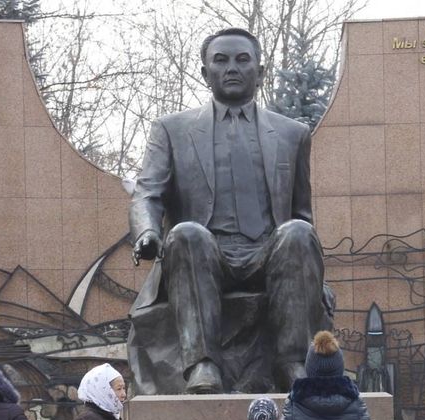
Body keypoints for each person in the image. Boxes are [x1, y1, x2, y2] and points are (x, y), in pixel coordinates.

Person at [129, 26, 327, 394]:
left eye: (242, 59)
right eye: (220, 61)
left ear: (260, 71)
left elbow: (302, 213)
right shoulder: (172, 129)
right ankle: (202, 365)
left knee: (298, 232)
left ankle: (292, 361)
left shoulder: (292, 134)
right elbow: (147, 193)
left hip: (269, 255)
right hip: (204, 253)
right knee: (187, 233)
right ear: (205, 73)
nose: (231, 68)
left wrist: (316, 277)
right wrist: (147, 232)